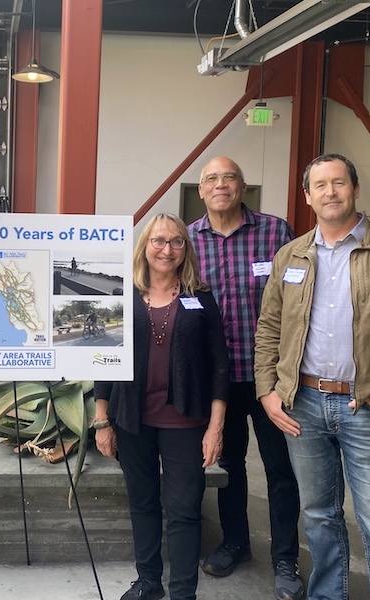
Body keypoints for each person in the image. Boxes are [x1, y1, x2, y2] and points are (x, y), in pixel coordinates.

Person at [254, 153, 370, 600]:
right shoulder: (291, 255)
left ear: (355, 189)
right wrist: (267, 390)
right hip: (302, 405)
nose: (330, 192)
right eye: (320, 185)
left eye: (338, 183)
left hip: (369, 408)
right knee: (319, 517)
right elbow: (269, 328)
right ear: (307, 196)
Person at [94, 213, 229, 600]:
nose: (166, 249)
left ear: (185, 249)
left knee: (185, 509)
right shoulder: (124, 295)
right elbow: (105, 356)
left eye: (175, 242)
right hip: (133, 419)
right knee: (143, 503)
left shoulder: (200, 297)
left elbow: (220, 365)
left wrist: (215, 427)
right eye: (158, 241)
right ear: (144, 247)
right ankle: (148, 581)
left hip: (185, 420)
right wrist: (102, 419)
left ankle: (183, 592)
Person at [187, 157, 302, 600]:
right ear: (201, 191)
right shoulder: (188, 241)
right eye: (212, 179)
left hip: (271, 379)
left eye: (229, 177)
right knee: (230, 466)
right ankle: (236, 543)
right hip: (218, 380)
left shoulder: (276, 232)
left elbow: (300, 293)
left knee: (280, 469)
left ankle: (285, 557)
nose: (221, 185)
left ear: (243, 186)